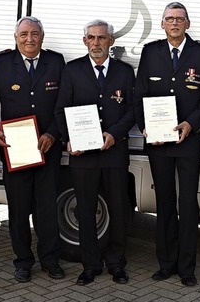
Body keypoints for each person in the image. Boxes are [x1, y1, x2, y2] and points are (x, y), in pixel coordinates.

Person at [134, 2, 200, 287]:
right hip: (159, 142)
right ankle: (166, 263)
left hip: (188, 141)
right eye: (169, 19)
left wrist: (190, 124)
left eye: (179, 19)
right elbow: (140, 94)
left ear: (188, 24)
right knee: (165, 202)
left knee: (188, 203)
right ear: (162, 24)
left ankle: (187, 267)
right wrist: (145, 127)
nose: (174, 23)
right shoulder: (151, 52)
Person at [0, 16, 65, 283]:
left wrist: (52, 133)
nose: (30, 39)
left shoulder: (56, 62)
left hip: (47, 149)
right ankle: (23, 262)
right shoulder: (2, 62)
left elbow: (63, 103)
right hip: (14, 150)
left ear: (42, 36)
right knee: (18, 209)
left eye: (35, 33)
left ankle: (50, 260)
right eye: (24, 34)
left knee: (47, 208)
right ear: (15, 37)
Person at [54, 20, 135, 286]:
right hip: (83, 156)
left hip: (114, 153)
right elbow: (61, 110)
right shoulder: (72, 70)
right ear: (85, 41)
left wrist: (115, 134)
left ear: (111, 41)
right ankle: (90, 265)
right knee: (86, 210)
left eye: (102, 38)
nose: (96, 43)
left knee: (119, 209)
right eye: (91, 38)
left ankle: (116, 263)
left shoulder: (125, 72)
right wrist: (67, 139)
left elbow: (133, 110)